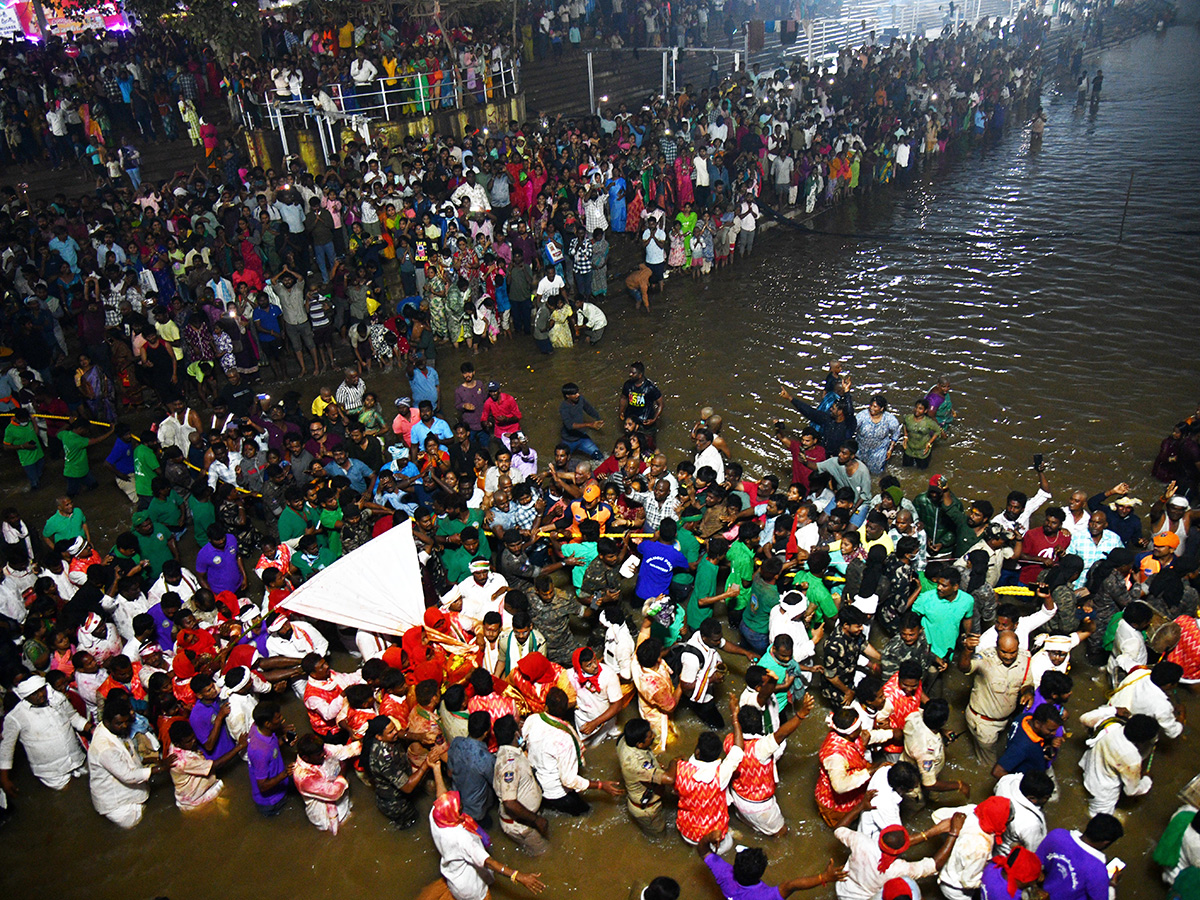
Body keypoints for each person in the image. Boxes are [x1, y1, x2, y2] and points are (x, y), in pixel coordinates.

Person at [423, 760, 545, 900]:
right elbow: (488, 862)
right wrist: (518, 876)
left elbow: (442, 797)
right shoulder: (461, 837)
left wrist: (436, 769)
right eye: (459, 806)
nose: (462, 804)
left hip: (453, 874)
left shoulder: (437, 815)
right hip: (471, 888)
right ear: (453, 812)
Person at [521, 687, 622, 815]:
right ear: (565, 710)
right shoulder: (564, 739)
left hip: (535, 782)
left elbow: (523, 742)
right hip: (556, 793)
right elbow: (568, 780)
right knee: (587, 813)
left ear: (546, 707)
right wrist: (601, 785)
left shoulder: (533, 719)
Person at [87, 693, 168, 828]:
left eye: (126, 722)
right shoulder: (105, 748)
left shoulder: (115, 730)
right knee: (135, 826)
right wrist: (158, 769)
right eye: (119, 723)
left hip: (133, 790)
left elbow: (129, 755)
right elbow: (127, 776)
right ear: (106, 722)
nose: (124, 726)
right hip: (118, 804)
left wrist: (152, 760)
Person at [0, 675, 89, 792]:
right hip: (51, 771)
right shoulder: (16, 717)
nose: (41, 695)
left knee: (87, 786)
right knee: (67, 795)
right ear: (25, 696)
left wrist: (91, 728)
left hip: (76, 758)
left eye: (42, 690)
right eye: (34, 693)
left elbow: (73, 717)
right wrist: (4, 779)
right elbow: (7, 748)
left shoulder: (57, 698)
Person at [697, 833, 845, 898]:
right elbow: (791, 885)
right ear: (761, 873)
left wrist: (709, 837)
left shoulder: (723, 873)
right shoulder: (765, 896)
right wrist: (824, 877)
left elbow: (703, 851)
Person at [1076, 712, 1157, 815]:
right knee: (1099, 817)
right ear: (1142, 741)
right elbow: (1131, 791)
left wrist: (1114, 709)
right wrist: (1146, 781)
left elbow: (1085, 718)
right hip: (1103, 792)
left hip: (1089, 770)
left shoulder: (1112, 726)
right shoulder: (1131, 758)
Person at [492, 714, 549, 856]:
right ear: (516, 733)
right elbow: (509, 803)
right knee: (545, 853)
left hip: (527, 817)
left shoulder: (511, 751)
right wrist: (536, 820)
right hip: (521, 825)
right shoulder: (509, 765)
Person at [1037, 814, 1125, 900]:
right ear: (1105, 842)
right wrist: (1112, 885)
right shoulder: (1097, 870)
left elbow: (1035, 863)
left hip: (1041, 892)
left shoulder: (1057, 835)